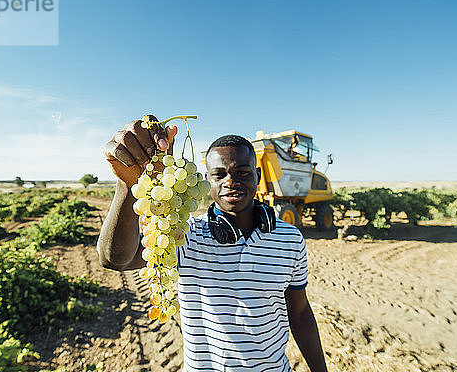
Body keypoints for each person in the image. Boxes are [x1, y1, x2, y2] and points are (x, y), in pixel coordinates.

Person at [98, 115, 328, 372]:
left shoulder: (290, 238)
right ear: (207, 178)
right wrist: (127, 185)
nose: (231, 181)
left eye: (242, 172)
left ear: (258, 174)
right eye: (219, 174)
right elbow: (115, 259)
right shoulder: (183, 234)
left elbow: (299, 313)